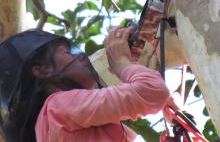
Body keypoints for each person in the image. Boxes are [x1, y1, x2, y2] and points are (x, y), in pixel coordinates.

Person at [0, 26, 173, 142]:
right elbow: (152, 92)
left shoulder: (48, 127)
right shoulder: (56, 107)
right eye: (67, 51)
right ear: (43, 71)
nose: (81, 55)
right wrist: (121, 62)